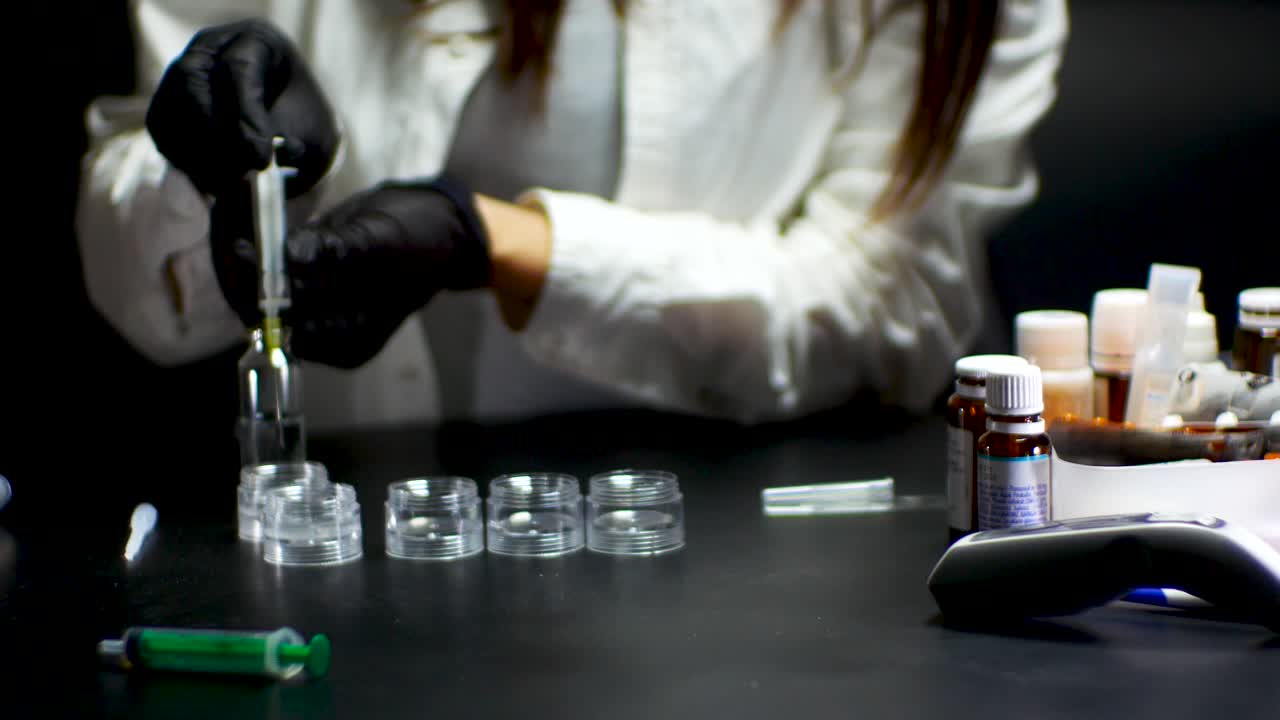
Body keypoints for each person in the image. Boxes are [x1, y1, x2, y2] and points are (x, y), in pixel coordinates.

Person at [76, 0, 1067, 429]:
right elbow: (146, 295)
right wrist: (205, 179)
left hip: (753, 580)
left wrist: (494, 242)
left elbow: (887, 304)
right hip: (368, 561)